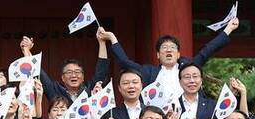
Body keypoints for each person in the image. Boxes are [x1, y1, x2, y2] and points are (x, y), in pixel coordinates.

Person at [101, 18, 240, 88]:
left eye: (172, 47)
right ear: (157, 55)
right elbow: (125, 63)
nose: (168, 50)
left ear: (179, 54)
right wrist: (112, 38)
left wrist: (228, 29)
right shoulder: (148, 71)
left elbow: (208, 50)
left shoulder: (188, 67)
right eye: (164, 48)